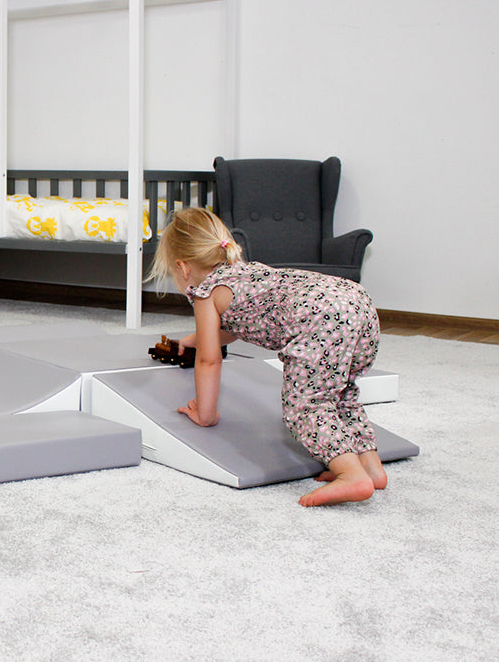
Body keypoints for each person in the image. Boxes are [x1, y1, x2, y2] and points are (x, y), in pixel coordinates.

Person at [148, 207, 387, 507]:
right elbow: (235, 327)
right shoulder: (245, 273)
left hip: (321, 318)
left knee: (305, 405)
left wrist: (205, 414)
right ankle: (371, 467)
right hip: (357, 305)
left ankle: (351, 475)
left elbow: (210, 361)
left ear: (183, 268)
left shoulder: (205, 293)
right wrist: (195, 339)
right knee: (341, 395)